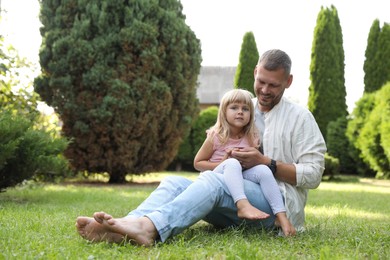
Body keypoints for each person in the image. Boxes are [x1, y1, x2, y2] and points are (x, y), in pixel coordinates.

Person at [76, 49, 326, 246]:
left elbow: (313, 175)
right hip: (235, 198)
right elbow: (212, 150)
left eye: (274, 85)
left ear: (289, 81)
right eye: (261, 81)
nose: (264, 90)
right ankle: (126, 225)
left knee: (213, 183)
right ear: (254, 72)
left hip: (274, 208)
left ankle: (148, 229)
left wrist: (266, 163)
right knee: (174, 182)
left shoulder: (301, 118)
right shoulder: (240, 107)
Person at [193, 88, 295, 236]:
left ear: (251, 115)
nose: (240, 112)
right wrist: (223, 162)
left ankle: (281, 217)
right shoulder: (216, 136)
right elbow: (198, 163)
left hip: (240, 175)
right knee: (232, 163)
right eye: (234, 107)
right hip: (215, 177)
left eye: (245, 109)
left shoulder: (251, 137)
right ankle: (242, 205)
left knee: (264, 170)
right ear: (224, 112)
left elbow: (251, 165)